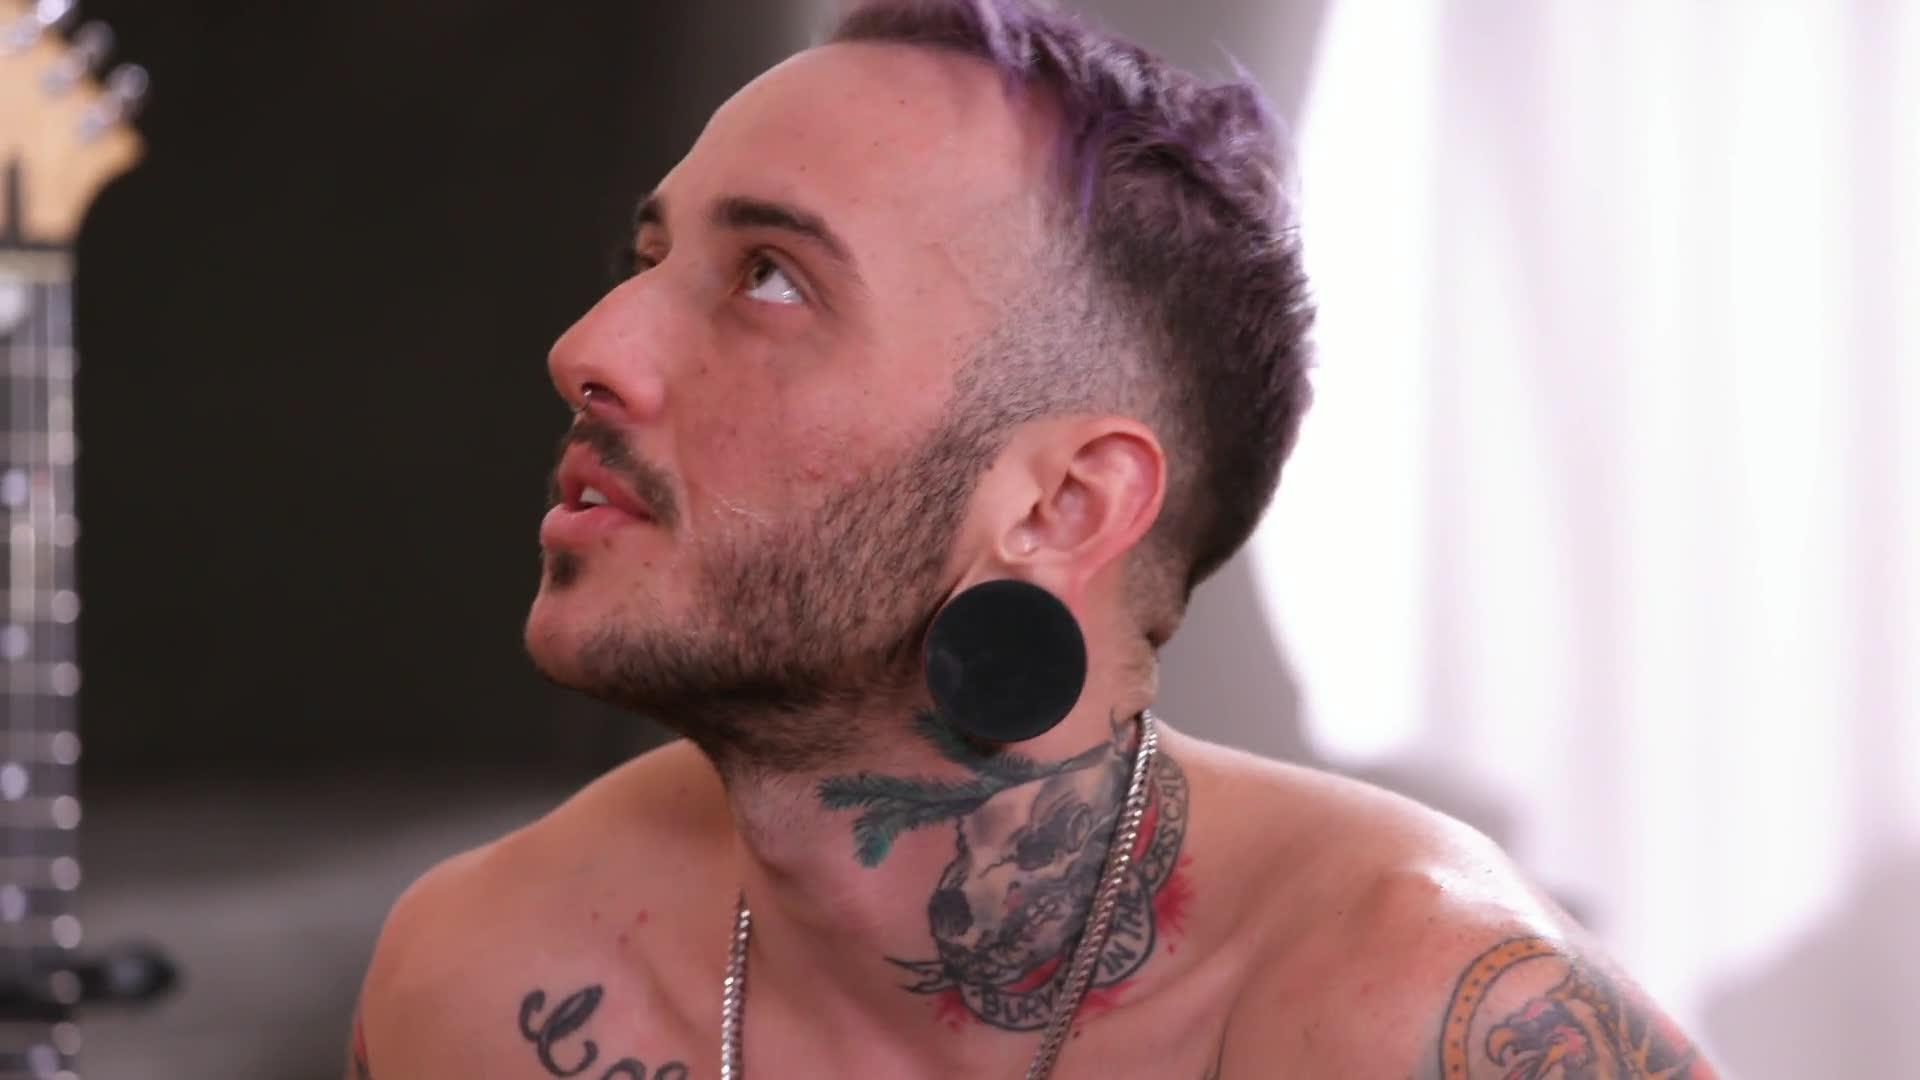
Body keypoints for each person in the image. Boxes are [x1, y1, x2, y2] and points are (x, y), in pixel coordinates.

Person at [350, 1, 1719, 1076]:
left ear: (1060, 507)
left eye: (771, 279)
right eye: (647, 261)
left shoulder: (1425, 1017)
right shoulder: (481, 983)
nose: (589, 348)